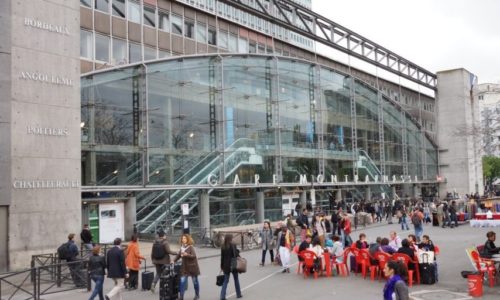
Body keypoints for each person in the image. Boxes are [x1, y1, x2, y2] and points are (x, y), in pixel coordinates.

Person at [174, 234, 200, 300]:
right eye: (182, 238)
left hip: (192, 267)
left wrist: (187, 254)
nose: (183, 240)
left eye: (185, 238)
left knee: (195, 282)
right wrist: (173, 260)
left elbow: (193, 256)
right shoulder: (182, 247)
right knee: (182, 282)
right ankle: (181, 297)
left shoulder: (190, 247)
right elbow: (178, 255)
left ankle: (197, 294)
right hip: (184, 268)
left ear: (188, 239)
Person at [220, 234, 242, 300]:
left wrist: (221, 266)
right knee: (236, 279)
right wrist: (238, 251)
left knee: (225, 281)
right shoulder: (233, 245)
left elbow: (222, 257)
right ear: (231, 238)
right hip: (233, 264)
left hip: (225, 265)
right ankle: (238, 294)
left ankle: (222, 296)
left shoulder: (223, 246)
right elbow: (235, 254)